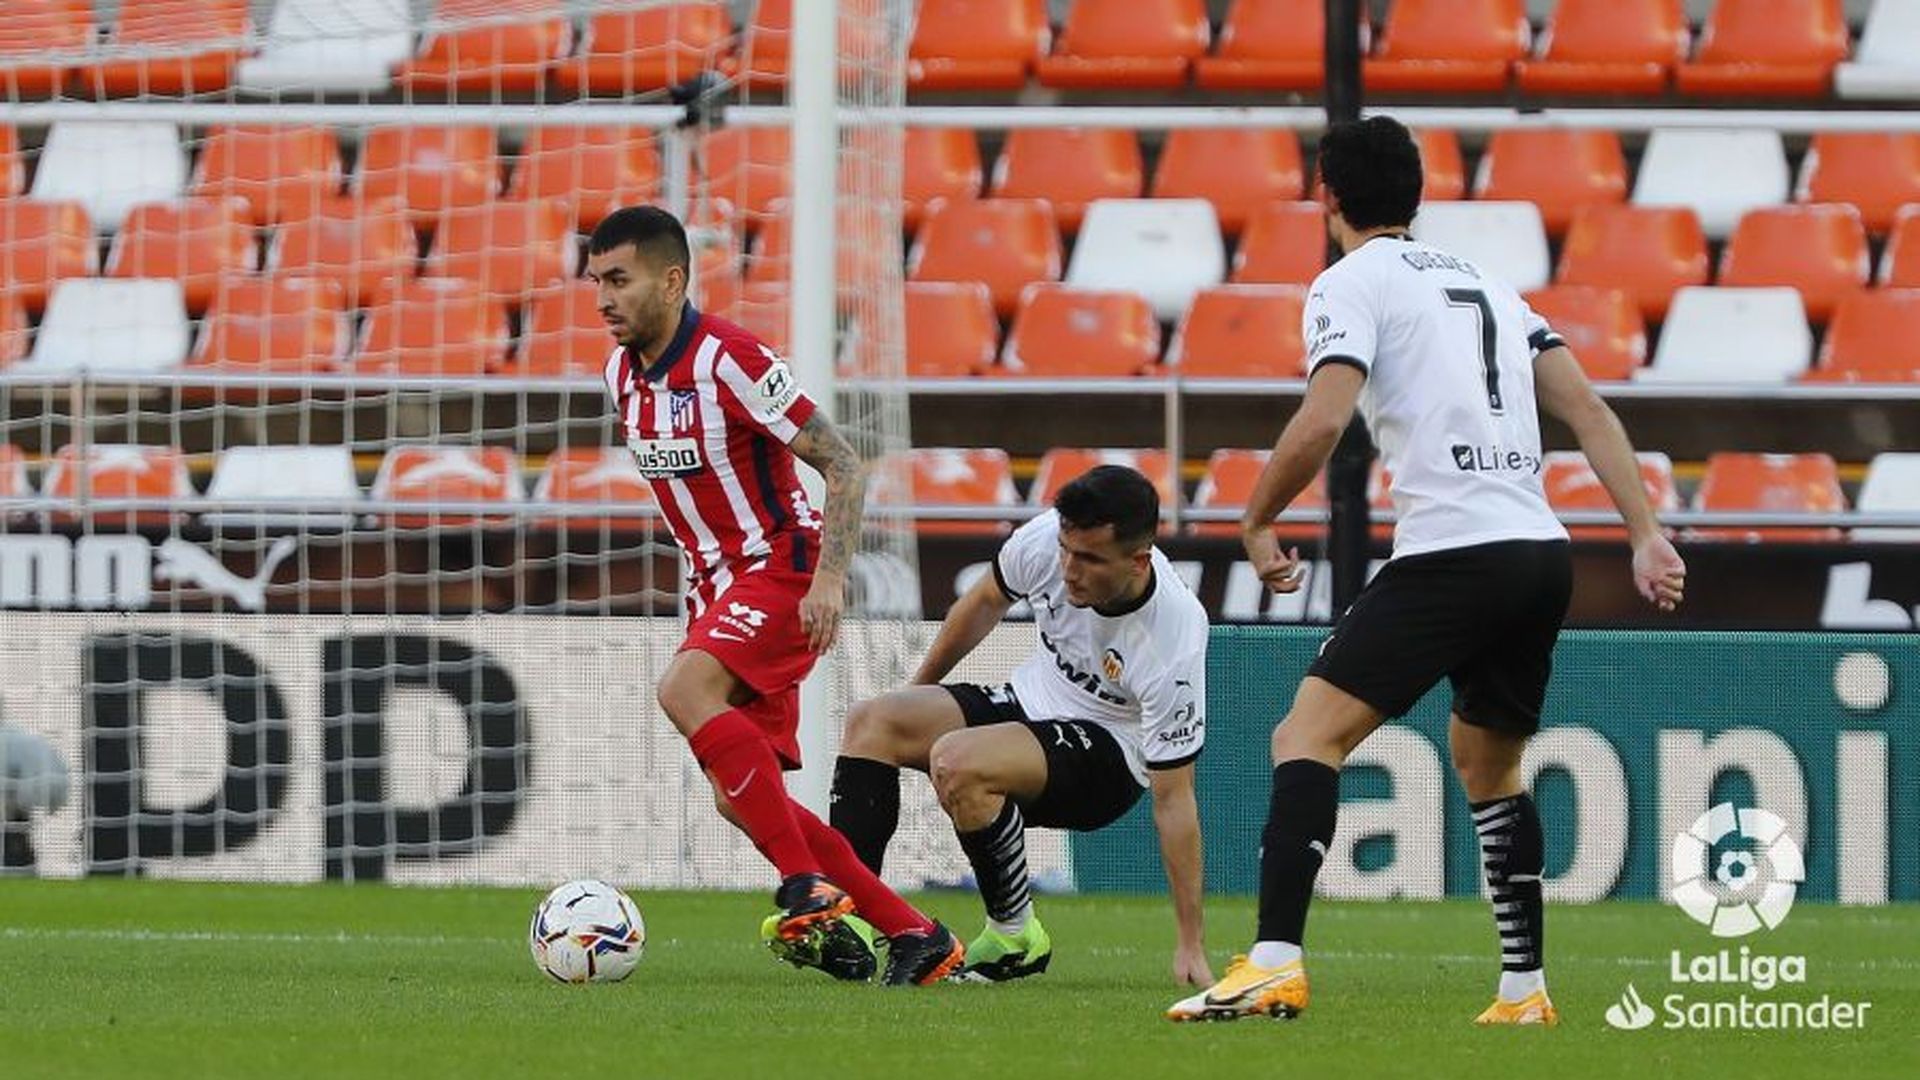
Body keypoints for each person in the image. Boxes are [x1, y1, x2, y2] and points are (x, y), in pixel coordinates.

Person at [1166, 117, 1687, 1025]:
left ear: (1325, 192)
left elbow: (1326, 419)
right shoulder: (1488, 281)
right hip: (1537, 552)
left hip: (1454, 551)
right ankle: (1524, 991)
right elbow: (1589, 408)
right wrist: (1644, 531)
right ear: (1417, 193)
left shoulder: (1348, 281)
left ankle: (1275, 962)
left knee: (1306, 736)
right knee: (1489, 769)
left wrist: (1254, 518)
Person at [587, 205, 962, 987]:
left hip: (782, 567)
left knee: (683, 687)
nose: (604, 299)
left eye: (618, 280)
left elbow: (845, 464)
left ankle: (804, 888)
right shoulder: (621, 374)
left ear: (672, 279)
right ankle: (916, 934)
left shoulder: (731, 357)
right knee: (741, 801)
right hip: (714, 588)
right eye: (596, 282)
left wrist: (829, 577)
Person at [831, 465, 1212, 986]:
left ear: (1138, 561)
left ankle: (1014, 935)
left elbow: (1175, 797)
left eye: (1091, 559)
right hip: (1029, 704)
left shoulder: (1174, 634)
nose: (1070, 570)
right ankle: (849, 915)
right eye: (1066, 551)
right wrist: (916, 692)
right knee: (873, 720)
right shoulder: (1047, 541)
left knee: (958, 760)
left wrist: (1190, 943)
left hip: (1108, 761)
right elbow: (985, 600)